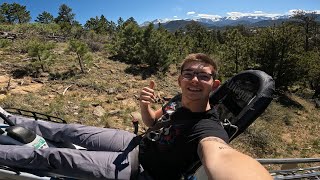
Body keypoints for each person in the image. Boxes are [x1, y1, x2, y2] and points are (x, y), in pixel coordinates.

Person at [0, 53, 272, 180]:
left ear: (215, 84)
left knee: (55, 157)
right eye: (189, 73)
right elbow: (154, 122)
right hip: (134, 142)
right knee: (69, 130)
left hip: (140, 169)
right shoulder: (179, 102)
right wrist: (144, 105)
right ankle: (10, 117)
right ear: (179, 79)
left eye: (204, 75)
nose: (195, 79)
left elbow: (222, 155)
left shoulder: (208, 128)